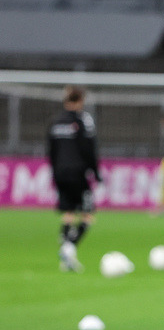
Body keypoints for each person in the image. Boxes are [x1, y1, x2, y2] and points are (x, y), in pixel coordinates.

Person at [48, 85, 101, 272]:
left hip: (60, 173)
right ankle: (68, 249)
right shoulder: (81, 121)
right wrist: (96, 172)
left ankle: (65, 260)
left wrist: (54, 173)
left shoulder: (55, 122)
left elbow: (51, 151)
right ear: (80, 101)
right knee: (87, 215)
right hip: (78, 173)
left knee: (68, 212)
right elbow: (88, 149)